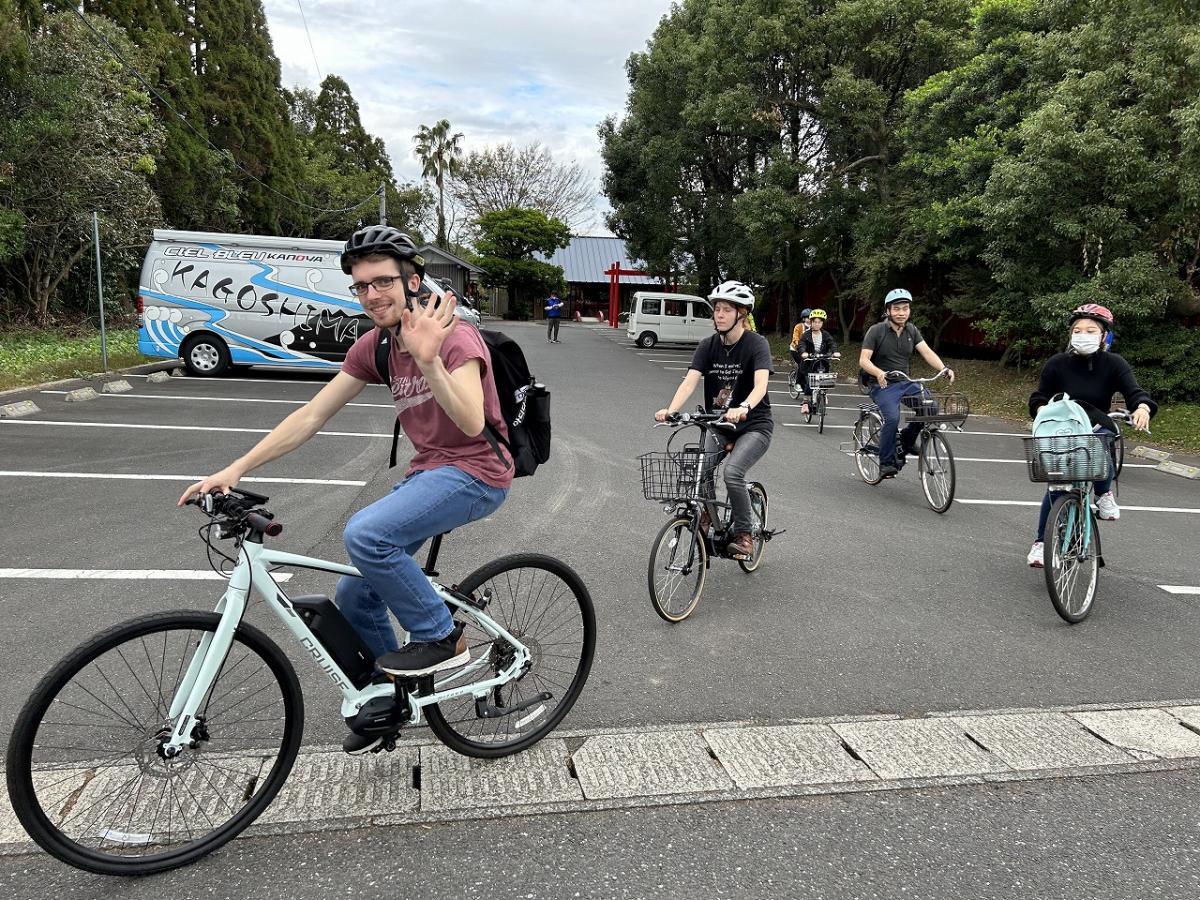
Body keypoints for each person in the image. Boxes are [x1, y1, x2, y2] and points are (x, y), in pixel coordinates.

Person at [177, 225, 512, 754]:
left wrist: (428, 359)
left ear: (413, 280)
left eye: (382, 282)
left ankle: (442, 636)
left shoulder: (453, 336)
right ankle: (393, 700)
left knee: (367, 534)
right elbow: (312, 414)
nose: (371, 295)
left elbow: (472, 423)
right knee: (355, 596)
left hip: (477, 471)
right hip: (430, 471)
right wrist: (236, 468)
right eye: (361, 286)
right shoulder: (374, 345)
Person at [1025, 303, 1155, 566]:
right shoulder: (1057, 363)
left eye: (1090, 330)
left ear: (1104, 335)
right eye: (1077, 330)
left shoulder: (1114, 363)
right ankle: (1041, 543)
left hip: (1096, 423)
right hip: (1063, 427)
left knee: (1100, 442)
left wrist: (1142, 408)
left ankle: (1104, 494)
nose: (1082, 334)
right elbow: (1039, 396)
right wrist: (1041, 410)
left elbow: (1135, 392)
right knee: (1056, 485)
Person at [655, 280, 773, 560]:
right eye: (717, 309)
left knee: (733, 473)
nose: (719, 314)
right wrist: (670, 409)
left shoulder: (756, 344)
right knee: (699, 471)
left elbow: (761, 386)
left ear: (741, 314)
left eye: (726, 310)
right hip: (719, 425)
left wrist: (743, 406)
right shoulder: (708, 346)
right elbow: (690, 381)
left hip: (753, 426)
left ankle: (744, 536)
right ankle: (707, 518)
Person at [858, 288, 955, 478]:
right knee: (892, 418)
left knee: (930, 408)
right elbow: (864, 360)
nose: (901, 313)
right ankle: (886, 462)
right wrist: (878, 372)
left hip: (906, 381)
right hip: (882, 384)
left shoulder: (911, 330)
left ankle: (907, 441)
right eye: (896, 309)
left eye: (905, 308)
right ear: (888, 311)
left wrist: (943, 368)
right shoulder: (876, 331)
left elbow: (926, 352)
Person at [797, 309, 841, 415]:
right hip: (809, 362)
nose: (817, 324)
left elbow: (832, 343)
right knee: (810, 382)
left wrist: (835, 352)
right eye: (815, 322)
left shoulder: (826, 334)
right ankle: (805, 403)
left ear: (822, 323)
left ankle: (823, 394)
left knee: (825, 379)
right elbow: (801, 345)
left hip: (822, 361)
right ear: (811, 322)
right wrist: (804, 353)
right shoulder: (806, 335)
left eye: (819, 322)